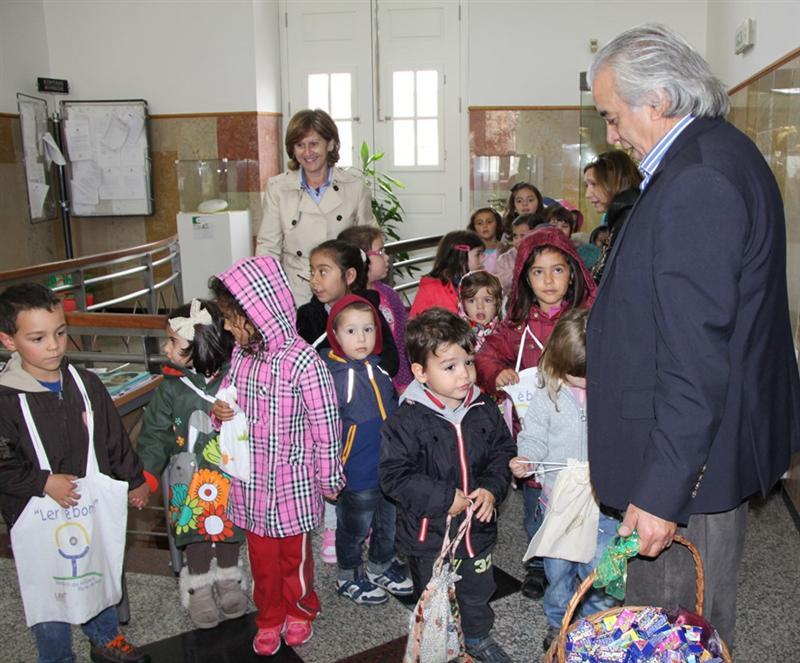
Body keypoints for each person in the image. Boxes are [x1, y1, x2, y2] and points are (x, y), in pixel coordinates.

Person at [587, 23, 800, 647]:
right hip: (698, 448)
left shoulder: (698, 179)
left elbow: (697, 354)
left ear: (657, 100)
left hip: (687, 467)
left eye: (612, 115)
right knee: (678, 627)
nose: (611, 134)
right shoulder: (712, 153)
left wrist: (660, 494)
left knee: (673, 633)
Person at [0, 283, 149, 663]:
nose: (54, 346)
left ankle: (104, 636)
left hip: (87, 503)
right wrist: (42, 481)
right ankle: (56, 655)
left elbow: (112, 436)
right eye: (38, 337)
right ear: (9, 340)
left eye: (60, 333)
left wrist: (133, 479)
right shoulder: (5, 398)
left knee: (94, 568)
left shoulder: (87, 384)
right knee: (50, 587)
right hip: (34, 509)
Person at [209, 256, 345, 656]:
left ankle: (300, 608)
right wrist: (221, 414)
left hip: (293, 482)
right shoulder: (241, 357)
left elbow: (326, 425)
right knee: (262, 563)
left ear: (260, 312)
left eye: (235, 320)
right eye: (227, 320)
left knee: (294, 559)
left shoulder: (302, 362)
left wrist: (328, 477)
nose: (230, 328)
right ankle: (269, 616)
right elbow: (228, 402)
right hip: (251, 482)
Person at [380, 308, 516, 663]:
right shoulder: (406, 420)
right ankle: (438, 643)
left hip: (478, 530)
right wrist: (442, 498)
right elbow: (394, 476)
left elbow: (503, 451)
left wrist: (491, 487)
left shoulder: (483, 407)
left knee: (477, 588)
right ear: (421, 373)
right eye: (450, 366)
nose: (465, 374)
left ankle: (478, 636)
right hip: (430, 537)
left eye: (468, 362)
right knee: (435, 593)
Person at [475, 227, 596, 600]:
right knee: (536, 508)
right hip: (535, 437)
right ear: (525, 277)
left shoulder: (588, 321)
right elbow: (484, 356)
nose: (548, 280)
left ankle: (585, 562)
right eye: (538, 272)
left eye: (557, 270)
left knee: (586, 507)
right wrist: (499, 373)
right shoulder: (516, 325)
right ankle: (540, 565)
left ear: (573, 272)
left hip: (583, 438)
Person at [132, 299, 249, 630]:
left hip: (229, 474)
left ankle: (229, 577)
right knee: (194, 529)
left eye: (174, 342)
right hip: (188, 474)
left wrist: (237, 413)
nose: (166, 350)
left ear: (202, 344)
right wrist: (147, 476)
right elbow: (154, 435)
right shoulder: (171, 387)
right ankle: (198, 585)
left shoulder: (237, 377)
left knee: (228, 529)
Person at [509, 309, 618, 652]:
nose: (583, 382)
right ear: (556, 362)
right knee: (557, 574)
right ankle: (559, 623)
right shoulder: (547, 392)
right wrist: (527, 457)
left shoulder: (613, 389)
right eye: (574, 374)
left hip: (604, 507)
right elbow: (535, 435)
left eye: (589, 374)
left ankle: (597, 626)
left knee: (600, 572)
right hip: (558, 503)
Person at [322, 295, 413, 606]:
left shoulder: (380, 370)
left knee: (388, 522)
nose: (361, 338)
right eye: (351, 331)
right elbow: (325, 429)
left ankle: (380, 565)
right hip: (356, 473)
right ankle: (348, 574)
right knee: (354, 528)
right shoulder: (333, 378)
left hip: (388, 469)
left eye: (368, 329)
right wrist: (332, 470)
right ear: (335, 335)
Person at [255, 108, 377, 306]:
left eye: (314, 144)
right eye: (300, 145)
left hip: (343, 289)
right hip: (296, 289)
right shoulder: (278, 188)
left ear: (330, 144)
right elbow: (268, 246)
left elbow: (370, 242)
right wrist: (266, 294)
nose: (307, 152)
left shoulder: (355, 187)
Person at [337, 225, 413, 391]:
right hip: (362, 385)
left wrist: (404, 383)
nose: (386, 258)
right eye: (380, 252)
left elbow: (401, 341)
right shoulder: (345, 301)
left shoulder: (389, 295)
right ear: (360, 258)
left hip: (396, 380)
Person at [583, 150, 642, 283]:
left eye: (594, 184)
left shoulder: (628, 220)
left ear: (615, 181)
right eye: (587, 186)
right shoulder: (623, 216)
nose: (587, 194)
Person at [408, 230, 483, 318]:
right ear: (460, 256)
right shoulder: (430, 289)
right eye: (478, 254)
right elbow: (414, 325)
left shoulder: (478, 283)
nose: (483, 258)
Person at [494, 212, 542, 296]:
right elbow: (502, 282)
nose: (518, 240)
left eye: (523, 236)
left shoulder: (543, 256)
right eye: (515, 236)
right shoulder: (505, 259)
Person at [457, 270, 502, 353]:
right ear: (462, 305)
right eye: (472, 301)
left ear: (498, 303)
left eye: (487, 300)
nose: (480, 307)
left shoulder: (507, 335)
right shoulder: (456, 340)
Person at [467, 208, 504, 273]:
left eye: (489, 222)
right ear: (473, 227)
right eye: (479, 223)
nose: (485, 226)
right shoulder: (470, 253)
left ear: (497, 224)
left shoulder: (507, 250)